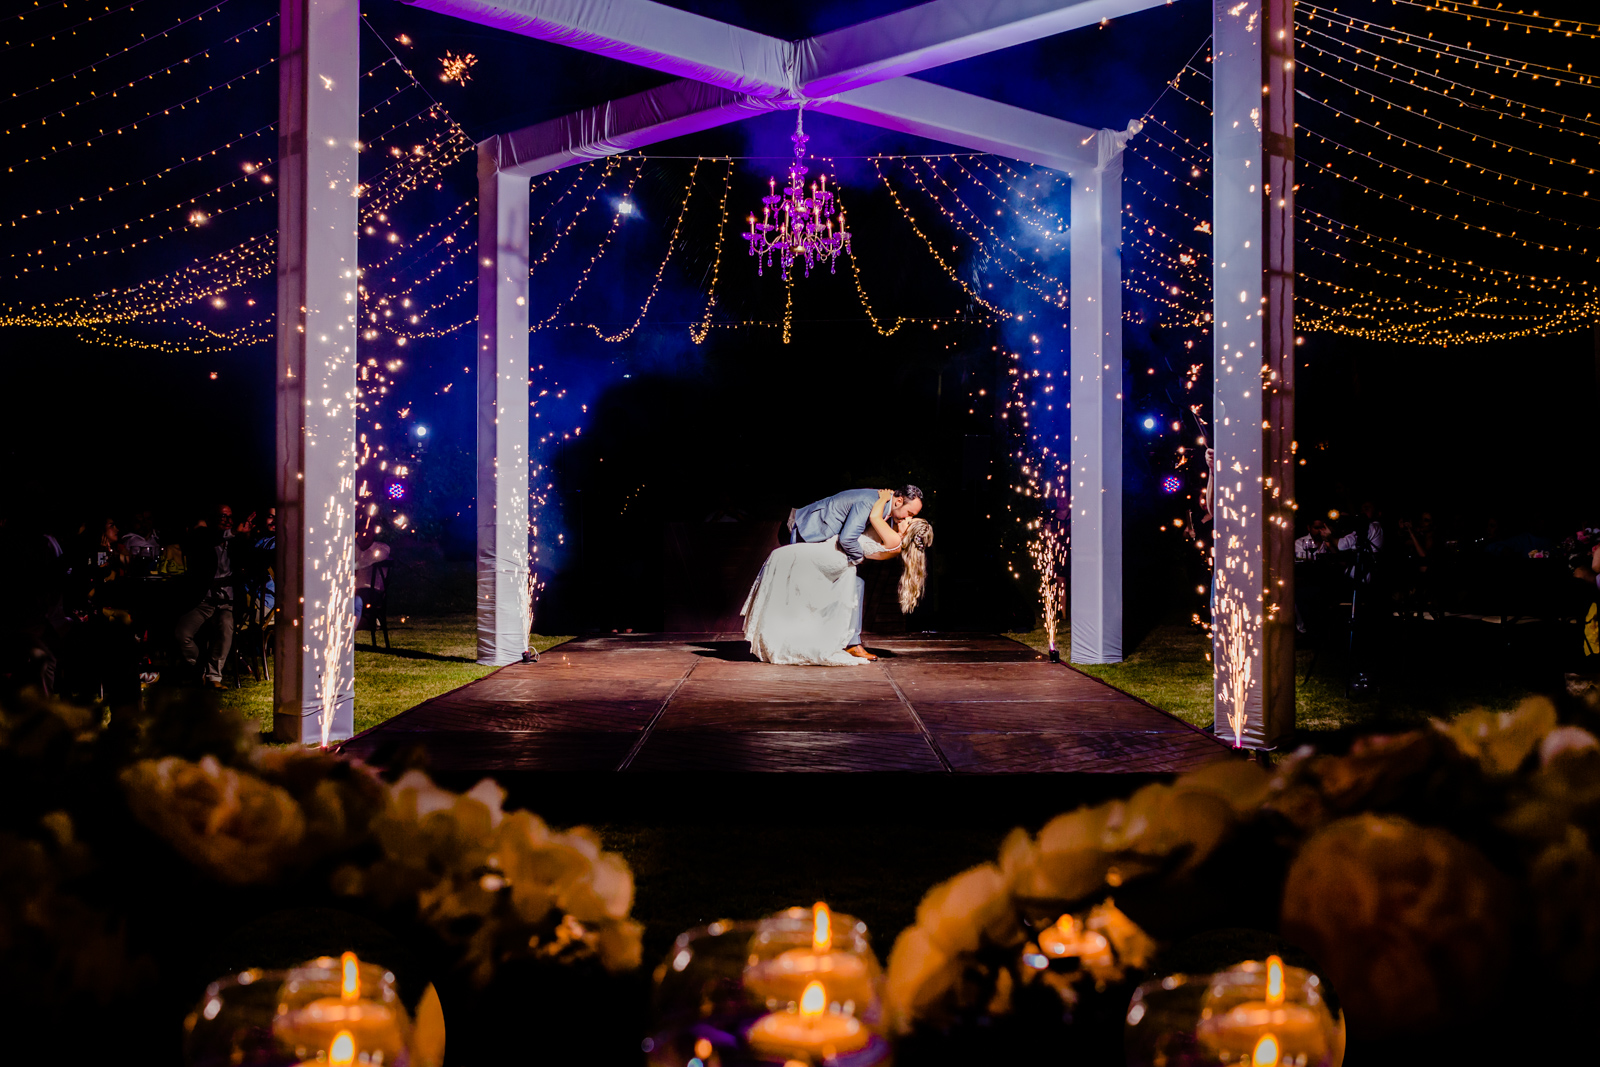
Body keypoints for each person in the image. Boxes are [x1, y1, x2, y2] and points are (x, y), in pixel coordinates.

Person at [744, 489, 933, 665]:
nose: (907, 518)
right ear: (899, 501)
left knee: (831, 589)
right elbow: (852, 535)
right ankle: (812, 639)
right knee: (813, 589)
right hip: (820, 538)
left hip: (837, 556)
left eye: (910, 520)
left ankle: (825, 641)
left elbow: (868, 524)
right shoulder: (873, 505)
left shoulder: (893, 535)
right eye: (909, 514)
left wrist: (883, 498)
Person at [173, 505, 238, 688]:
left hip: (226, 602)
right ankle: (197, 668)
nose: (227, 521)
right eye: (222, 516)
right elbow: (203, 540)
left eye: (230, 517)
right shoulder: (204, 539)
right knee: (182, 633)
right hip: (203, 601)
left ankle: (214, 676)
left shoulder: (236, 542)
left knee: (225, 626)